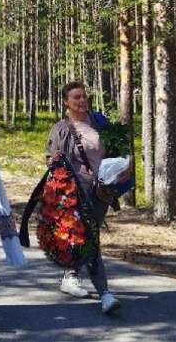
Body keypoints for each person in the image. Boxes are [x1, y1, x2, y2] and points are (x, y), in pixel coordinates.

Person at [45, 81, 122, 314]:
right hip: (76, 191)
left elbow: (116, 151)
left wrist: (121, 169)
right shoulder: (61, 129)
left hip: (102, 191)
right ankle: (105, 293)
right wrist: (55, 161)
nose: (82, 101)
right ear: (66, 102)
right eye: (76, 97)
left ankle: (70, 274)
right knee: (91, 238)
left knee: (86, 235)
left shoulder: (100, 123)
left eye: (84, 96)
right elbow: (50, 159)